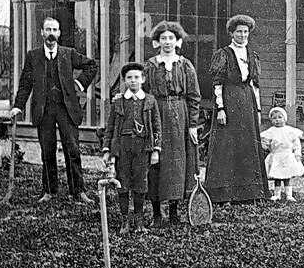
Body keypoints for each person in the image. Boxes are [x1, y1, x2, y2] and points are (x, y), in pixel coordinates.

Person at [10, 16, 98, 204]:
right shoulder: (33, 56)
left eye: (54, 30)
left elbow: (92, 65)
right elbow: (25, 83)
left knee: (72, 149)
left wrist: (80, 83)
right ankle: (49, 191)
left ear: (59, 33)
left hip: (67, 109)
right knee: (47, 151)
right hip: (44, 110)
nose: (51, 34)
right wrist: (18, 106)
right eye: (48, 30)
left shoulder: (68, 53)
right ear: (42, 32)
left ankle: (78, 191)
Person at [206, 14, 270, 204]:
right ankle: (223, 193)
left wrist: (258, 110)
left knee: (247, 144)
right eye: (239, 32)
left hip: (247, 101)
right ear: (231, 34)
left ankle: (249, 193)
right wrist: (221, 109)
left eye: (245, 32)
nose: (243, 35)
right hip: (229, 99)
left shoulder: (252, 54)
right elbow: (217, 84)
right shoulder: (224, 54)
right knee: (227, 145)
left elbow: (255, 85)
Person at [144, 20, 201, 226]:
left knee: (177, 163)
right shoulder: (150, 66)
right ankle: (157, 214)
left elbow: (194, 96)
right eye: (163, 38)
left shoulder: (185, 65)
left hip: (180, 115)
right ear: (157, 42)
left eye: (171, 38)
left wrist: (193, 125)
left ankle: (175, 213)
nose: (167, 42)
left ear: (177, 41)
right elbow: (143, 92)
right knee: (156, 160)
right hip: (156, 114)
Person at [102, 62, 162, 234]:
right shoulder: (118, 102)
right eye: (129, 78)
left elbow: (157, 127)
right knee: (123, 182)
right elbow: (110, 127)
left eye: (137, 77)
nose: (133, 81)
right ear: (124, 80)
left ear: (142, 79)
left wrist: (156, 149)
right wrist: (107, 150)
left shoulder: (150, 101)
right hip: (122, 146)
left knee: (141, 183)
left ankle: (139, 221)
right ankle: (124, 221)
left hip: (143, 147)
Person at [260, 106, 304, 202]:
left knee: (287, 176)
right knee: (277, 176)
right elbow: (266, 141)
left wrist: (297, 153)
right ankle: (277, 194)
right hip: (276, 156)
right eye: (274, 118)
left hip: (287, 155)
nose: (277, 120)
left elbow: (296, 144)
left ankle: (289, 194)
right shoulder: (271, 131)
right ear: (271, 120)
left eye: (280, 117)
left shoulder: (290, 131)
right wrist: (265, 144)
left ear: (285, 118)